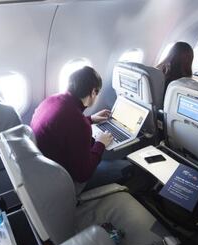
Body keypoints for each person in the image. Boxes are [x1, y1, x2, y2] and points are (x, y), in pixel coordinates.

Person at [31, 66, 130, 194]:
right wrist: (100, 144)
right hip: (65, 182)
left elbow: (64, 126)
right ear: (93, 92)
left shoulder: (52, 100)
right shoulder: (78, 122)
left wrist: (91, 119)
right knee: (126, 167)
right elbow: (83, 175)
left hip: (45, 170)